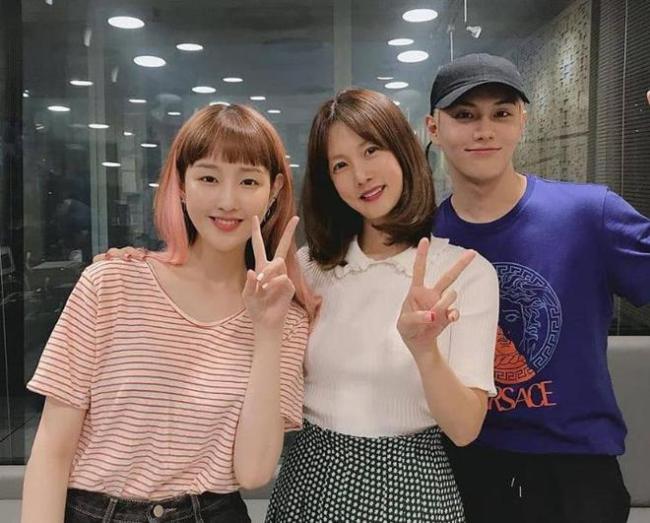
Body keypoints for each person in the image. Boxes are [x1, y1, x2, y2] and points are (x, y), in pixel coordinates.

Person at [21, 104, 310, 523]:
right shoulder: (110, 284)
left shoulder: (286, 319)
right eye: (208, 178)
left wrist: (267, 330)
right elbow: (52, 448)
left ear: (274, 190)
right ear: (181, 184)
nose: (227, 200)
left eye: (248, 181)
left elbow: (253, 472)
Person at [428, 53, 650, 523]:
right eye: (464, 115)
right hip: (464, 469)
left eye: (501, 113)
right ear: (434, 128)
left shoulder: (589, 215)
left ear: (522, 122)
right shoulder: (424, 239)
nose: (484, 130)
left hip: (578, 474)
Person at [265, 88, 499, 522]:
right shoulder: (309, 268)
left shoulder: (465, 272)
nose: (361, 175)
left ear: (402, 150)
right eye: (340, 165)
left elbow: (465, 429)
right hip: (308, 480)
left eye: (371, 150)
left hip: (413, 485)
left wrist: (425, 349)